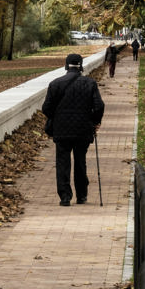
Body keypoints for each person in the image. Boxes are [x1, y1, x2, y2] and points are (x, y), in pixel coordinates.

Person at [42, 52, 105, 205]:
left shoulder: (55, 84)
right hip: (83, 129)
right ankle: (82, 195)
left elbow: (46, 108)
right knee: (80, 161)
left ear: (66, 66)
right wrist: (95, 121)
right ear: (81, 66)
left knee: (62, 162)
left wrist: (57, 117)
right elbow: (99, 106)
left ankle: (65, 196)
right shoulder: (90, 83)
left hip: (61, 130)